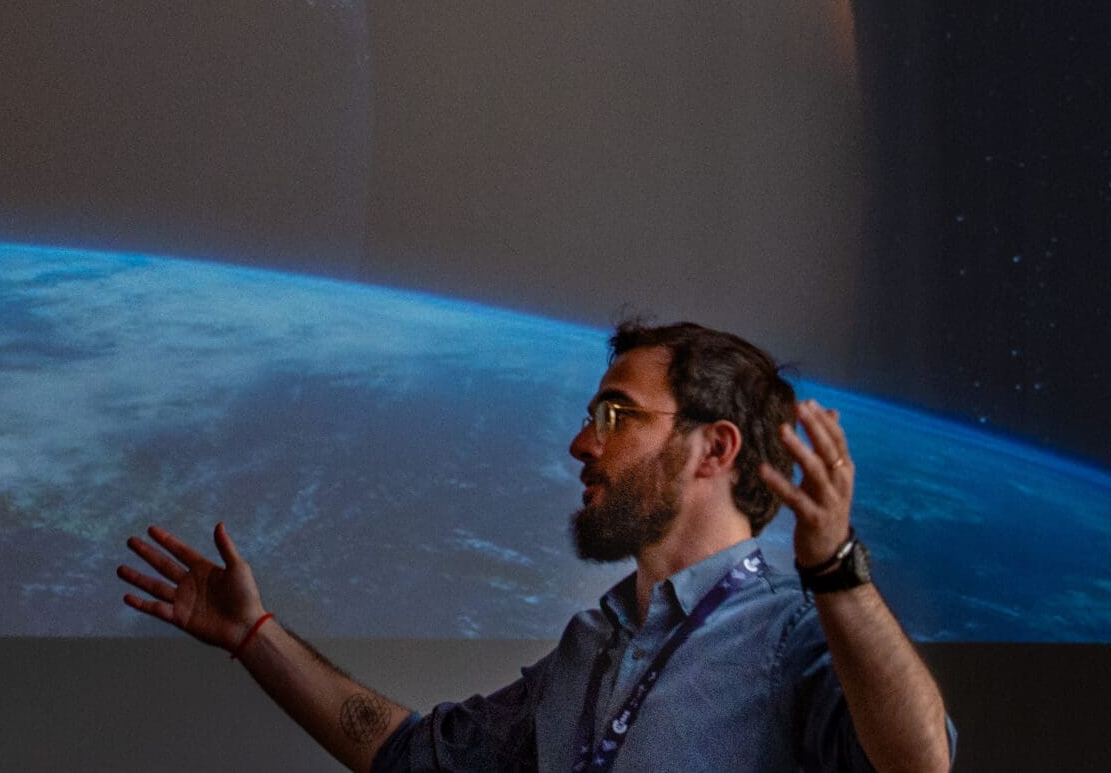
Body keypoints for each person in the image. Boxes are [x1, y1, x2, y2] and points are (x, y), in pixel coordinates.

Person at [118, 319, 955, 771]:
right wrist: (255, 635)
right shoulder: (592, 646)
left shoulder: (792, 633)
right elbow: (412, 757)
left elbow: (920, 762)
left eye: (616, 415)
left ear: (715, 447)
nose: (582, 443)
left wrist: (835, 571)